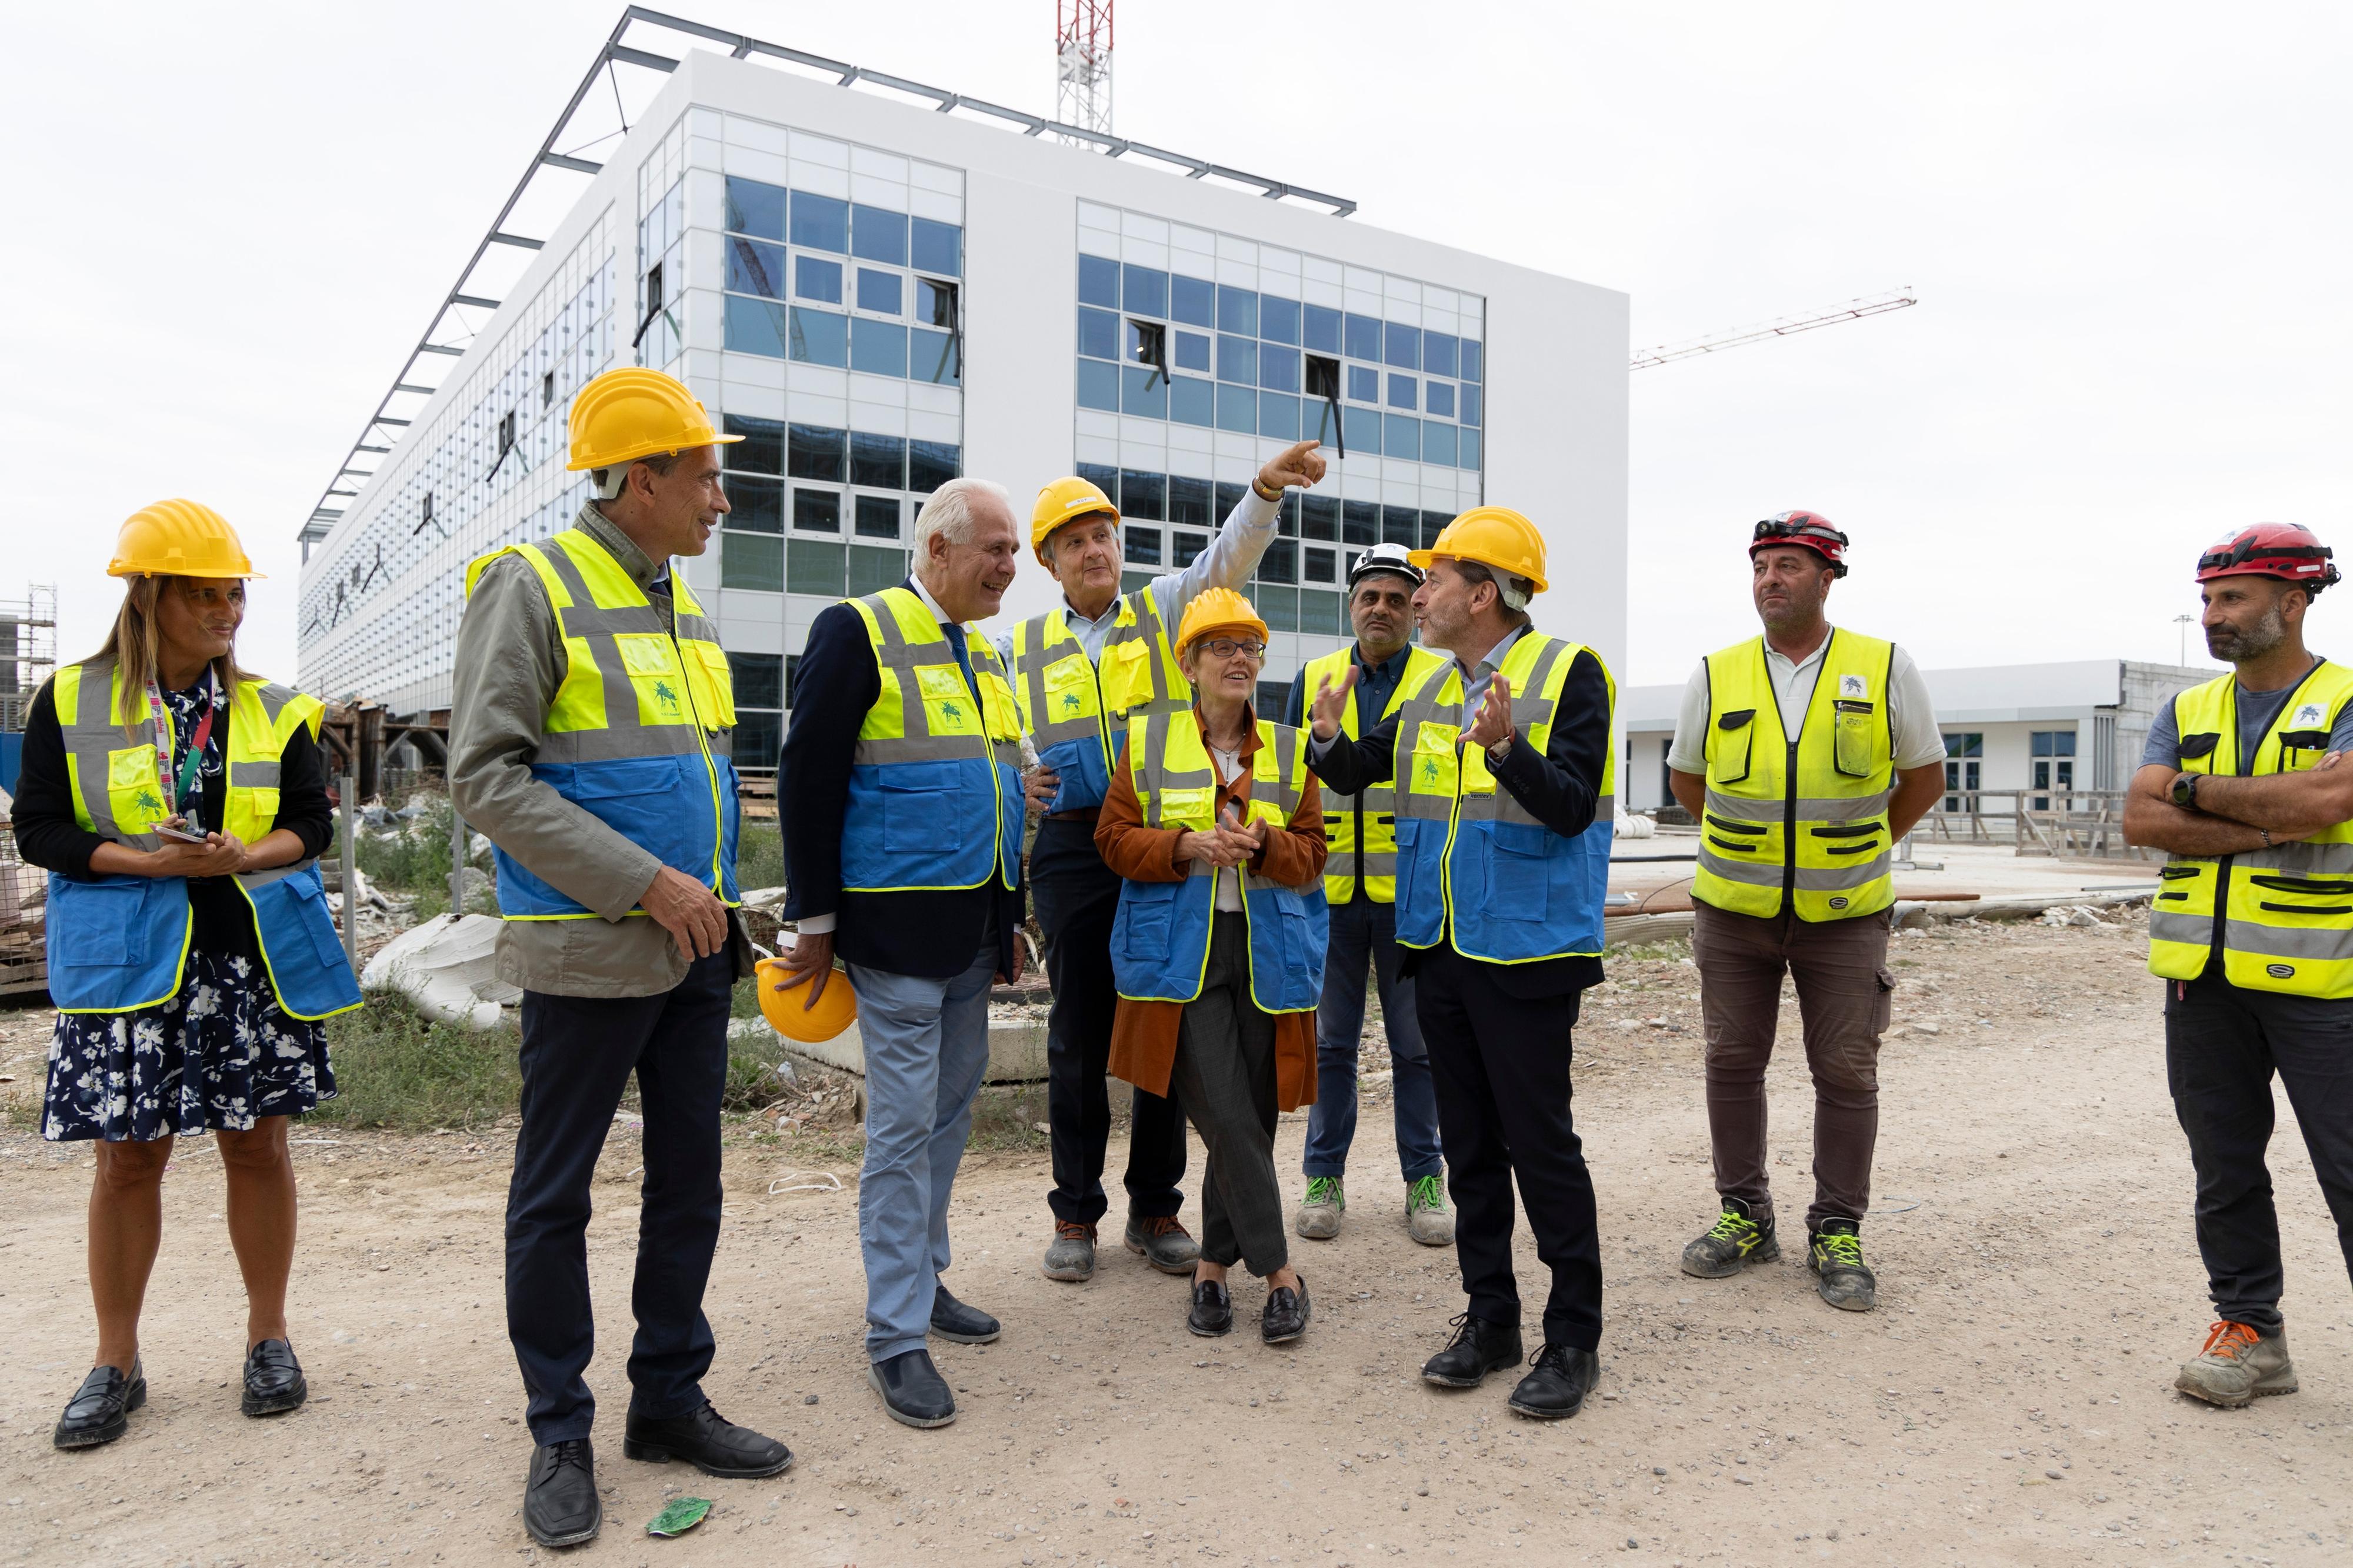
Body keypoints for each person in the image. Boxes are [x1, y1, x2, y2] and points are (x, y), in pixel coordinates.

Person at [451, 368, 790, 1549]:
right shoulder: (531, 585)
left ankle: (667, 1397)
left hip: (698, 951)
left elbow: (681, 779)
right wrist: (641, 882)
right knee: (554, 1200)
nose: (721, 498)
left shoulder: (678, 605)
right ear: (639, 478)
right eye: (705, 474)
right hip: (590, 955)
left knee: (686, 1184)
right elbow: (485, 778)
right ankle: (558, 1426)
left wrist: (718, 898)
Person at [19, 500, 359, 1450]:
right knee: (128, 1161)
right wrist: (148, 863)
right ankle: (115, 1362)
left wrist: (243, 854)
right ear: (151, 597)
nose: (227, 611)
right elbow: (40, 827)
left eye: (235, 593)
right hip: (133, 967)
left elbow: (312, 826)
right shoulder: (69, 700)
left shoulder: (270, 706)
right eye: (205, 594)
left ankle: (269, 1339)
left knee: (258, 1147)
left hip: (245, 963)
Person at [1306, 508, 1617, 1419]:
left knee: (1541, 1148)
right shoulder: (1435, 688)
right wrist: (1328, 740)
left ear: (1483, 592)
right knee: (1473, 1151)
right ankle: (1492, 1319)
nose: (1419, 593)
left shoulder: (1570, 672)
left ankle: (1573, 1340)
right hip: (1437, 949)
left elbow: (1569, 808)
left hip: (1526, 953)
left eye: (1434, 579)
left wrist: (1509, 749)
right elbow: (1365, 766)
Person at [1008, 442, 1328, 1285]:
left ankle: (1157, 1206)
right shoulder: (1024, 645)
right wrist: (1016, 776)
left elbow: (1232, 556)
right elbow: (1000, 736)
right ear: (1049, 561)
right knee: (1079, 1031)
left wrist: (1263, 490)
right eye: (1074, 541)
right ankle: (1075, 1210)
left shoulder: (1162, 610)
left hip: (1176, 841)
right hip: (1079, 847)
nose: (1094, 549)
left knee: (1165, 1017)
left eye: (1103, 533)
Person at [775, 477, 1029, 1429]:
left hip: (970, 928)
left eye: (1012, 551)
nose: (1012, 566)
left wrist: (1009, 915)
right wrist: (814, 918)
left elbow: (993, 781)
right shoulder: (860, 628)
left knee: (950, 1114)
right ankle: (895, 1334)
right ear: (937, 551)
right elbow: (809, 774)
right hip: (892, 932)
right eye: (997, 549)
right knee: (902, 1125)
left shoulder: (983, 654)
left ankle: (924, 1282)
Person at [1664, 513, 1947, 1313]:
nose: (1770, 579)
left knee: (1847, 1071)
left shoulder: (1884, 666)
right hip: (1733, 911)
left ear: (1829, 578)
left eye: (1789, 565)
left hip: (1847, 914)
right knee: (1731, 1062)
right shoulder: (1717, 673)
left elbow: (1923, 777)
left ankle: (1838, 1227)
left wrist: (1855, 852)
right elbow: (1690, 781)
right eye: (1761, 566)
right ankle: (1745, 1215)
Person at [2122, 522, 2353, 1407]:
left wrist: (2190, 789)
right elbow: (2141, 820)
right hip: (2203, 978)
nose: (2213, 614)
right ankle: (2251, 1333)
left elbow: (2334, 796)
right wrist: (2267, 821)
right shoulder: (2187, 710)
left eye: (2233, 599)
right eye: (2210, 598)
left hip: (2328, 980)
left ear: (2292, 604)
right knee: (2225, 1166)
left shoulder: (2346, 696)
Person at [1095, 588, 1327, 1342]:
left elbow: (1314, 857)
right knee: (1227, 1113)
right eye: (1221, 646)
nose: (1239, 658)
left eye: (1249, 647)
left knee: (1250, 1120)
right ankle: (1281, 1273)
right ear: (1188, 662)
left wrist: (1265, 845)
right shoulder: (1150, 739)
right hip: (1181, 957)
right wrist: (1184, 845)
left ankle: (1212, 1269)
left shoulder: (1290, 749)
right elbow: (1113, 839)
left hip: (1267, 955)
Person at [1283, 543, 1453, 1245]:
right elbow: (1291, 780)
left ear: (1416, 607)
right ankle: (1324, 1175)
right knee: (1330, 1043)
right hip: (1331, 895)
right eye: (1368, 596)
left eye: (1394, 597)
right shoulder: (1316, 677)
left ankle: (1425, 1176)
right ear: (1350, 605)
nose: (1379, 608)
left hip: (1412, 893)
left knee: (1417, 1047)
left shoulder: (1446, 678)